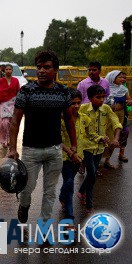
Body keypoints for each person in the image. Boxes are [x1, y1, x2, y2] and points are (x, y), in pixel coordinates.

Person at [7, 50, 77, 223]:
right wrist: (12, 149)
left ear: (55, 70)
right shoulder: (27, 91)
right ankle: (24, 205)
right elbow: (15, 120)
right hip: (31, 150)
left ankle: (44, 223)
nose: (42, 71)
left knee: (50, 191)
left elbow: (69, 119)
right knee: (27, 188)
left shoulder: (63, 92)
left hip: (55, 150)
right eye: (39, 67)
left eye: (47, 67)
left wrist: (73, 145)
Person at [77, 84, 122, 213]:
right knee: (92, 174)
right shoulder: (83, 109)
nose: (102, 100)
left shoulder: (106, 108)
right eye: (98, 97)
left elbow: (116, 123)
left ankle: (81, 191)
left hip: (100, 148)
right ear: (90, 98)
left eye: (103, 97)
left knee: (93, 171)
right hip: (86, 147)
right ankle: (89, 204)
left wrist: (115, 139)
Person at [59, 89, 97, 224]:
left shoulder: (85, 118)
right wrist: (70, 152)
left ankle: (62, 196)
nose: (76, 106)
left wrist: (102, 139)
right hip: (64, 157)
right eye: (72, 103)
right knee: (69, 184)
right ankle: (69, 217)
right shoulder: (60, 119)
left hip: (78, 157)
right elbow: (57, 140)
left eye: (78, 103)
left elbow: (91, 135)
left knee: (68, 182)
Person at [102, 71, 132, 167]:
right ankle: (97, 158)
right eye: (121, 77)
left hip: (121, 115)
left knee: (117, 136)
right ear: (112, 77)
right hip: (107, 116)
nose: (123, 79)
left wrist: (129, 102)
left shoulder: (123, 89)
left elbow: (129, 100)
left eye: (125, 78)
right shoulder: (105, 88)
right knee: (106, 136)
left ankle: (107, 160)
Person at [0, 64, 20, 148]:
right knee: (3, 124)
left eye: (10, 69)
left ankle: (9, 140)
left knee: (11, 123)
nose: (8, 71)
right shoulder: (1, 80)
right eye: (7, 69)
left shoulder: (16, 80)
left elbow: (18, 92)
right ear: (4, 71)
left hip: (13, 103)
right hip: (3, 104)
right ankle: (3, 139)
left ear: (12, 70)